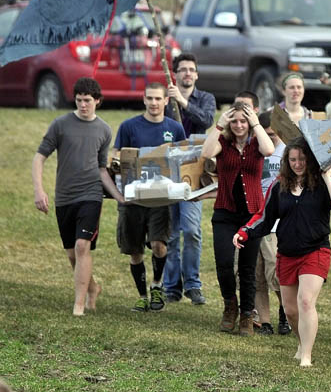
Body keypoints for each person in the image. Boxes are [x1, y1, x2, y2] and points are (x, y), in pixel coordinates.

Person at [234, 138, 331, 366]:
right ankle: (301, 343)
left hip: (316, 250)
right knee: (290, 310)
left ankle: (306, 355)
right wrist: (244, 232)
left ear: (310, 160)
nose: (298, 164)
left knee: (306, 301)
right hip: (286, 252)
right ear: (287, 161)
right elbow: (264, 218)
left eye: (302, 159)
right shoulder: (280, 186)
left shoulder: (321, 184)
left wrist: (326, 176)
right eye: (293, 159)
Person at [32, 77, 126, 316]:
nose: (83, 105)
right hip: (64, 197)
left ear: (98, 101)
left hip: (91, 195)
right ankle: (93, 287)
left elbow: (101, 168)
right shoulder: (60, 124)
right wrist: (39, 190)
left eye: (88, 101)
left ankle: (79, 305)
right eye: (79, 100)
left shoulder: (104, 129)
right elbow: (39, 157)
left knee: (83, 246)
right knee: (73, 254)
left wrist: (118, 196)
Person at [202, 101, 274, 336]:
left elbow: (269, 149)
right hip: (225, 212)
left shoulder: (256, 145)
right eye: (235, 121)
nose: (239, 125)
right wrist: (219, 125)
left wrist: (255, 122)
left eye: (243, 121)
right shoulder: (223, 143)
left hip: (251, 215)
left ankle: (246, 314)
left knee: (248, 267)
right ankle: (230, 305)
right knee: (224, 264)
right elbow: (206, 153)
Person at [114, 83, 187, 312]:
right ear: (143, 100)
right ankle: (142, 295)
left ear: (166, 101)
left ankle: (157, 285)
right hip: (133, 198)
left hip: (161, 198)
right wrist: (116, 163)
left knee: (159, 245)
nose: (154, 103)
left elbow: (183, 158)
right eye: (149, 98)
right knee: (135, 250)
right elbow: (118, 153)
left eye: (158, 99)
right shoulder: (129, 126)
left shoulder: (174, 128)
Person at [163, 53, 217, 306]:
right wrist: (169, 102)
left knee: (192, 230)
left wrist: (182, 102)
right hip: (167, 169)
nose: (187, 73)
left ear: (196, 74)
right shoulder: (164, 99)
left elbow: (206, 120)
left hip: (194, 170)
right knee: (171, 232)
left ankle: (193, 284)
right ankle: (171, 285)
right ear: (174, 74)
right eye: (182, 69)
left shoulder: (205, 99)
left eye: (191, 70)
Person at [251, 111, 291, 336]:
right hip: (253, 218)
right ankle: (264, 321)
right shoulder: (253, 150)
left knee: (275, 273)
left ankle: (286, 313)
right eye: (264, 135)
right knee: (256, 274)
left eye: (273, 135)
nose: (268, 139)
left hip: (275, 222)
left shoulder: (288, 153)